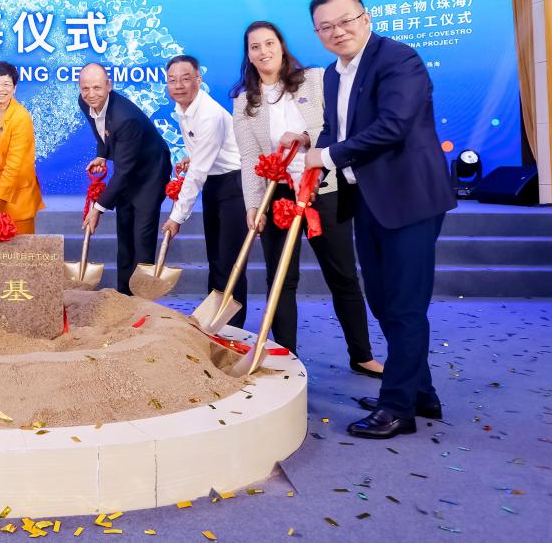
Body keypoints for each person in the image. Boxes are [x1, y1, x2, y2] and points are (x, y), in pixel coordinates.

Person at [303, 0, 456, 439]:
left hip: (409, 198)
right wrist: (310, 145)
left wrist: (326, 157)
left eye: (345, 21)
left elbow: (393, 126)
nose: (338, 32)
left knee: (405, 304)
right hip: (367, 199)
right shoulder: (333, 75)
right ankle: (419, 392)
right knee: (383, 300)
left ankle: (398, 408)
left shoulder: (398, 59)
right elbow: (335, 130)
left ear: (365, 18)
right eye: (326, 27)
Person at [231, 20, 382, 374]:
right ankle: (286, 357)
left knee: (343, 275)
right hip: (278, 196)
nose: (263, 51)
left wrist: (304, 137)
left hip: (323, 189)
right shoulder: (244, 102)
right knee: (281, 280)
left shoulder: (314, 79)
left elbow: (336, 126)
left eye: (269, 43)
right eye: (255, 46)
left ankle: (362, 354)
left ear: (281, 46)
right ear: (249, 55)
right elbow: (250, 157)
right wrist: (253, 205)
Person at [160, 55, 246, 327]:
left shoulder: (208, 114)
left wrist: (176, 217)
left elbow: (197, 173)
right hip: (215, 184)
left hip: (235, 186)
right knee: (216, 259)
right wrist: (193, 155)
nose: (178, 85)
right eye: (172, 80)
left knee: (230, 262)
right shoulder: (184, 108)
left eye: (186, 79)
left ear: (198, 80)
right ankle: (213, 324)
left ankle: (232, 328)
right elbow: (201, 159)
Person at [77, 62, 173, 294]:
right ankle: (123, 295)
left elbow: (123, 173)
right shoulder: (85, 102)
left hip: (150, 173)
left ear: (109, 85)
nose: (91, 94)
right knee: (125, 232)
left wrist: (97, 209)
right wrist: (102, 155)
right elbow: (100, 130)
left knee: (141, 235)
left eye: (97, 88)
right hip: (127, 165)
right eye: (85, 88)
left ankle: (142, 300)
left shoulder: (125, 118)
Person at [0, 60, 44, 233]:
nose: (0, 89)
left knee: (21, 247)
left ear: (14, 88)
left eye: (6, 84)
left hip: (16, 196)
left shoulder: (21, 118)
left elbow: (15, 164)